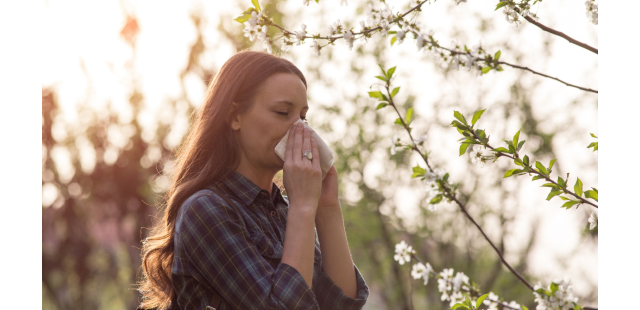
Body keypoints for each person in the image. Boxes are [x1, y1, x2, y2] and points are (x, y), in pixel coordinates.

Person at [138, 50, 369, 310]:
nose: (301, 129)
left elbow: (343, 306)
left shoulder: (284, 212)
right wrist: (304, 208)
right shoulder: (206, 210)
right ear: (235, 116)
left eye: (303, 116)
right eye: (283, 112)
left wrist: (327, 209)